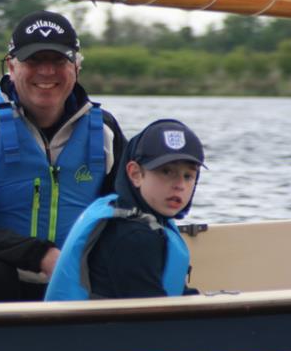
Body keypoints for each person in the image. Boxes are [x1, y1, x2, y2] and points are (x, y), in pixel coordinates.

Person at [0, 10, 126, 302]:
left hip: (78, 282)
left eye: (58, 60)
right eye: (34, 60)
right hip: (0, 282)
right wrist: (41, 255)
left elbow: (126, 213)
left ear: (76, 67)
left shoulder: (105, 131)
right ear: (11, 68)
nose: (47, 71)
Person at [45, 119, 205, 300]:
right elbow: (154, 315)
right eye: (166, 172)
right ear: (135, 174)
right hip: (93, 328)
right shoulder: (132, 236)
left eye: (188, 175)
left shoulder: (145, 219)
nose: (179, 185)